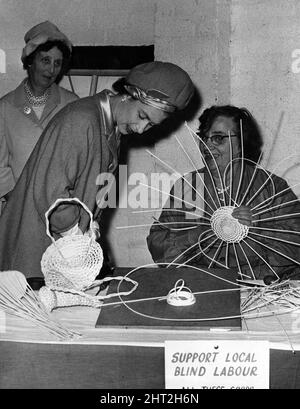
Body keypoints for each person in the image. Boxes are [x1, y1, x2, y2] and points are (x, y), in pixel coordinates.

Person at [0, 61, 194, 278]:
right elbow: (50, 192)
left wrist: (90, 224)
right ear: (128, 94)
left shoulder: (110, 126)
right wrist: (74, 233)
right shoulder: (81, 120)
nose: (140, 130)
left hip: (58, 245)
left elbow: (89, 188)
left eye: (150, 125)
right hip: (34, 245)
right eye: (142, 116)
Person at [147, 105, 300, 282]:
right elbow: (158, 246)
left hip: (262, 284)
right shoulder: (189, 187)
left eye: (218, 138)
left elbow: (296, 243)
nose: (207, 145)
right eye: (203, 138)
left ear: (241, 142)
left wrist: (259, 228)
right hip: (205, 283)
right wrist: (197, 235)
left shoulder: (271, 187)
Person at [0, 21, 78, 213]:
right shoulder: (5, 107)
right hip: (16, 206)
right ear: (30, 61)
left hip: (60, 208)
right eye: (45, 60)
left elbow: (78, 159)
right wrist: (16, 199)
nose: (51, 70)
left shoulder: (72, 104)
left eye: (57, 63)